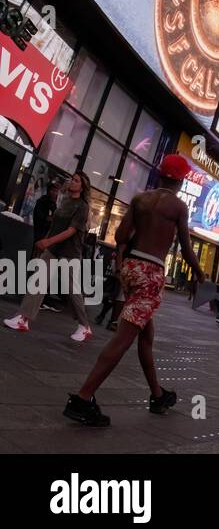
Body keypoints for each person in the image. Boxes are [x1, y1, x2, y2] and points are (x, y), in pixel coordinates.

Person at [64, 155, 200, 426]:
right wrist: (200, 273)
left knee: (145, 336)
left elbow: (121, 236)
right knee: (123, 338)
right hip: (150, 274)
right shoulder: (178, 206)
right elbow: (185, 247)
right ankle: (82, 398)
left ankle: (158, 395)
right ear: (181, 180)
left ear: (161, 174)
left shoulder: (140, 199)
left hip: (131, 268)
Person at [4, 171, 94, 340]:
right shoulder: (65, 200)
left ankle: (84, 326)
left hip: (69, 253)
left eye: (76, 181)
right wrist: (46, 241)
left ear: (82, 187)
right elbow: (56, 226)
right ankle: (23, 318)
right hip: (53, 249)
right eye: (72, 179)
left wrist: (47, 241)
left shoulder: (82, 207)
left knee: (73, 290)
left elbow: (70, 231)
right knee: (37, 282)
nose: (73, 182)